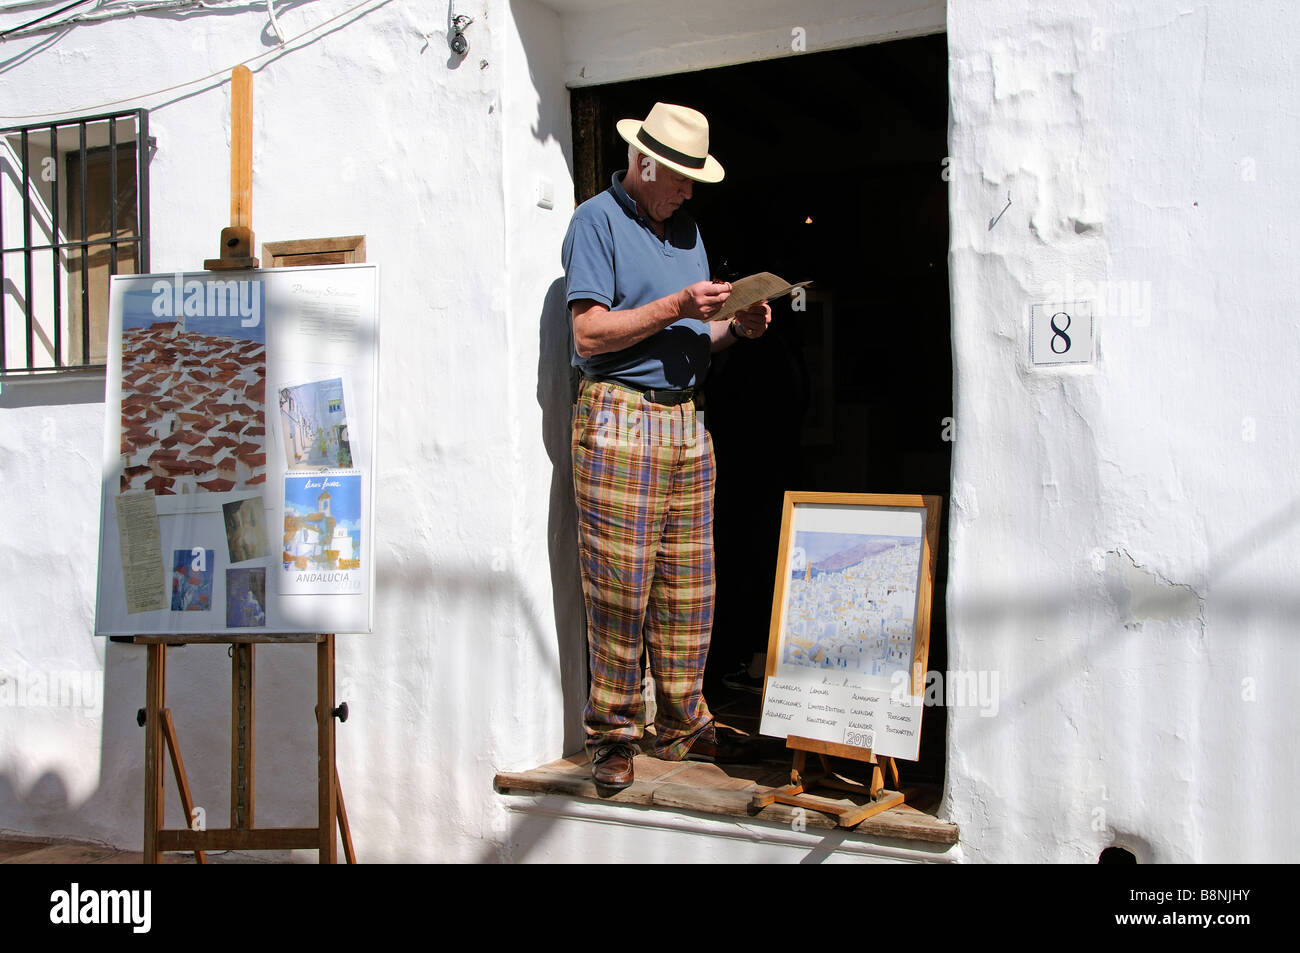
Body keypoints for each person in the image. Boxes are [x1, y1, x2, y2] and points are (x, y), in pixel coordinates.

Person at [561, 102, 771, 789]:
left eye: (693, 181)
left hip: (685, 418)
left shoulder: (688, 231)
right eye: (679, 178)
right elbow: (590, 336)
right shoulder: (595, 221)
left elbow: (688, 339)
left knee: (689, 583)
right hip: (621, 415)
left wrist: (734, 329)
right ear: (644, 162)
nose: (687, 191)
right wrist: (678, 305)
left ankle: (682, 723)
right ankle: (613, 733)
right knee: (620, 584)